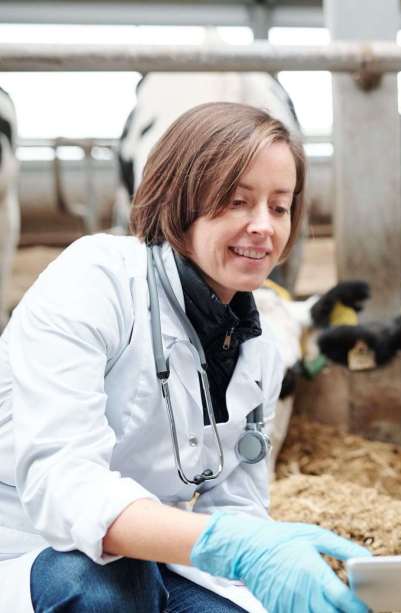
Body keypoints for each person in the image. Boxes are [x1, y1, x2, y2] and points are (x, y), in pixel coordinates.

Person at [0, 101, 370, 613]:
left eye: (280, 207)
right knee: (108, 591)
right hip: (29, 548)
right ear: (180, 199)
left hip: (153, 559)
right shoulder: (94, 280)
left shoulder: (258, 345)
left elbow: (237, 505)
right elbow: (64, 489)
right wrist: (228, 546)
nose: (264, 225)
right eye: (237, 202)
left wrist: (266, 564)